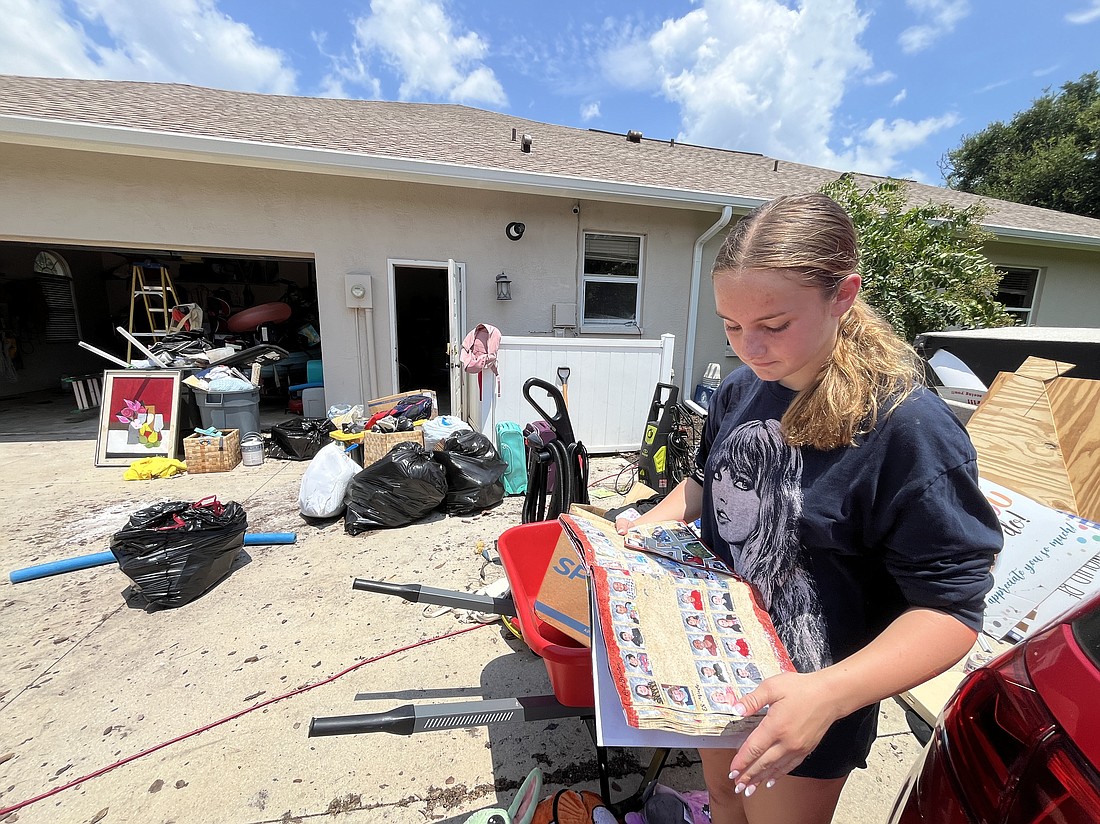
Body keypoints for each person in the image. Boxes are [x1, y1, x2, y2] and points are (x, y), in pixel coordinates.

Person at [615, 193, 1002, 824]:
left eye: (773, 325)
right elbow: (708, 486)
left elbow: (950, 608)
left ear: (843, 296)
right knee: (720, 802)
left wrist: (828, 693)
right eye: (731, 326)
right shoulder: (743, 388)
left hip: (810, 700)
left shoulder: (909, 431)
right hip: (719, 667)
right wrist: (642, 529)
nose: (751, 349)